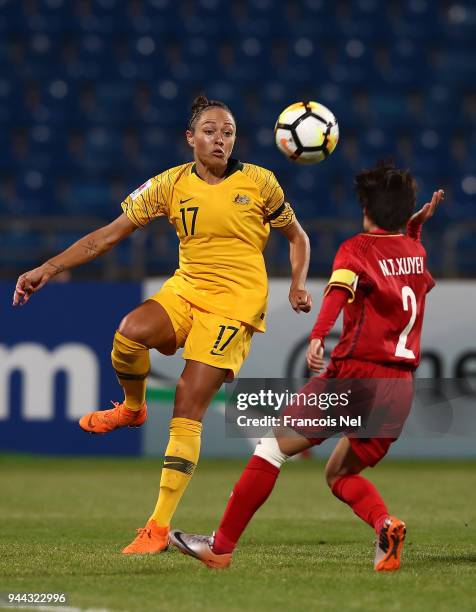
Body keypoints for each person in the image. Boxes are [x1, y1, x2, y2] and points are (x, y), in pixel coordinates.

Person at [12, 96, 312, 554]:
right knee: (129, 332)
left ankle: (157, 526)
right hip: (186, 290)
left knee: (188, 403)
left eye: (228, 132)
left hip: (234, 307)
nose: (220, 139)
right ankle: (133, 407)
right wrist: (48, 268)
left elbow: (298, 237)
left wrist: (296, 284)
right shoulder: (169, 184)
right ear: (190, 138)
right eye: (210, 130)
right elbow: (105, 237)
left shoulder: (260, 182)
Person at [170, 161, 444, 572]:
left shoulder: (357, 248)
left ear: (365, 207)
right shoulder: (417, 251)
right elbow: (409, 268)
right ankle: (385, 525)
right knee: (339, 474)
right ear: (406, 213)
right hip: (399, 387)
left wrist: (318, 335)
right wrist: (414, 229)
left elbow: (336, 292)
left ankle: (220, 548)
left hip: (356, 376)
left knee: (271, 447)